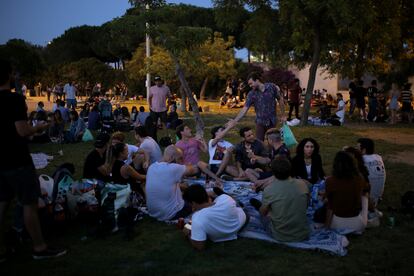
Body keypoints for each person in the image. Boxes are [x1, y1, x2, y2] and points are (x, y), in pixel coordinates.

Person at [0, 59, 66, 260]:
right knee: (29, 203)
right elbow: (22, 130)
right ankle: (39, 247)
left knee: (1, 204)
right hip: (17, 159)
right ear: (8, 75)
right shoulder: (14, 100)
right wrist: (39, 127)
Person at [250, 156, 310, 242]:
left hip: (280, 235)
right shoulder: (303, 184)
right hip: (302, 233)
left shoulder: (269, 189)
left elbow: (263, 213)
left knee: (264, 213)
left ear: (273, 173)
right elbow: (306, 205)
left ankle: (258, 205)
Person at [181, 184, 246, 250]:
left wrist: (188, 234)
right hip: (240, 223)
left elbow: (199, 246)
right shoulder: (224, 198)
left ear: (193, 203)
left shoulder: (197, 218)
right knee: (237, 206)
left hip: (221, 236)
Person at [227, 72, 286, 141]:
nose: (250, 86)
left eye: (251, 83)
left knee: (273, 142)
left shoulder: (271, 87)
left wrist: (283, 115)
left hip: (272, 121)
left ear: (257, 80)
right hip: (260, 122)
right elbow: (244, 109)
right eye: (249, 84)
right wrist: (235, 120)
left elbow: (280, 99)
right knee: (259, 143)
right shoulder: (251, 94)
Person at [146, 145, 198, 221]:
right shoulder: (173, 168)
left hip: (153, 212)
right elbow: (193, 170)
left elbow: (163, 184)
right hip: (170, 214)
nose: (181, 161)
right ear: (172, 158)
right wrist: (188, 165)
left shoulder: (152, 167)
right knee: (197, 200)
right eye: (180, 158)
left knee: (183, 189)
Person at [325, 151, 369, 233]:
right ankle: (371, 215)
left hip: (337, 225)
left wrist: (327, 227)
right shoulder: (359, 178)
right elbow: (366, 191)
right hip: (358, 225)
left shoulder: (330, 181)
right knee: (365, 195)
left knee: (329, 202)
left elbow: (330, 206)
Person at [357, 138, 386, 207]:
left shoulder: (362, 159)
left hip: (366, 200)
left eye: (357, 148)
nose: (356, 150)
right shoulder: (379, 157)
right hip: (377, 198)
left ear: (363, 150)